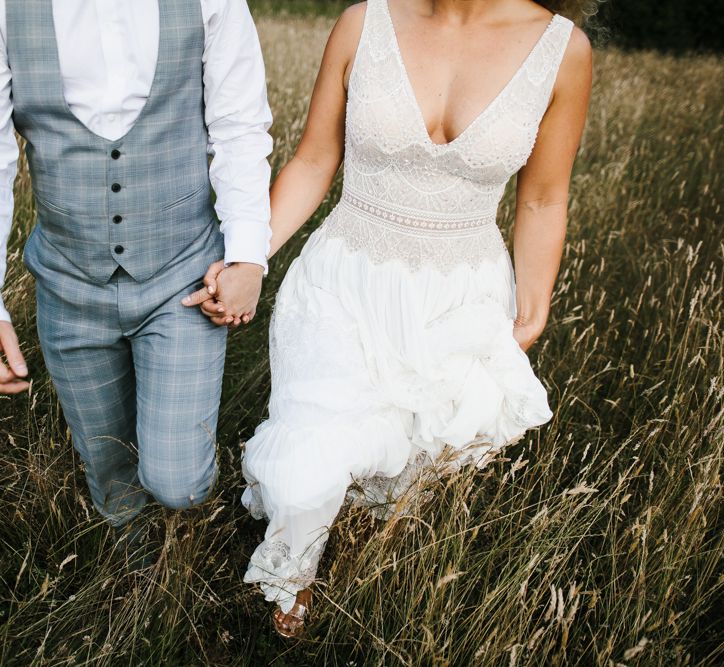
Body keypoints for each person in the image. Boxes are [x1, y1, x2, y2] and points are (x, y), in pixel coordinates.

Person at [191, 0, 592, 638]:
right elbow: (315, 160)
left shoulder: (561, 50)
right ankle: (290, 583)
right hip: (342, 284)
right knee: (306, 467)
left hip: (462, 299)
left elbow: (544, 195)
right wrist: (248, 257)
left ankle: (360, 559)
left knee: (408, 469)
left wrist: (534, 302)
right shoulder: (363, 22)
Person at [0, 0, 272, 546]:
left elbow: (239, 125)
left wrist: (248, 256)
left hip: (184, 279)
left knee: (178, 481)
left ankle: (190, 534)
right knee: (108, 469)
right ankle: (137, 576)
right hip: (67, 282)